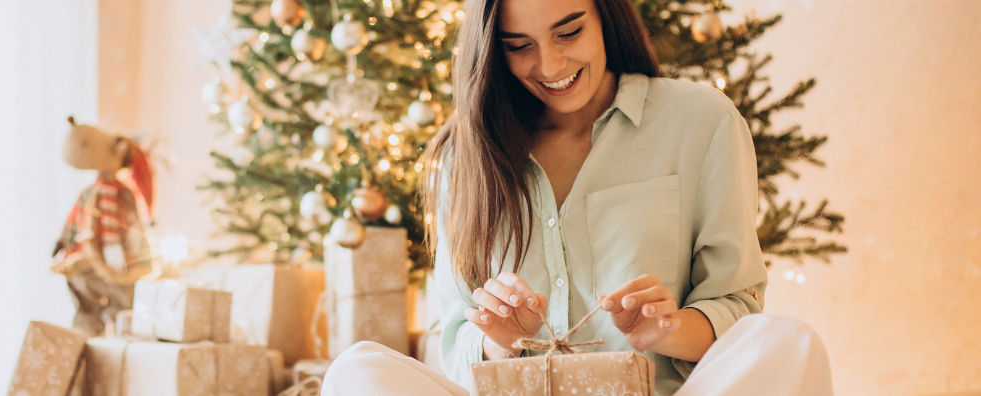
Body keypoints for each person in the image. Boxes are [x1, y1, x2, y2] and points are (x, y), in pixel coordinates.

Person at [322, 0, 833, 394]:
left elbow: (737, 303)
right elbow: (454, 342)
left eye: (569, 31)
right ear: (493, 48)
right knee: (356, 371)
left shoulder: (702, 121)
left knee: (789, 343)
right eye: (519, 45)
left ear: (604, 15)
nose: (550, 64)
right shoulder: (465, 155)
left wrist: (669, 330)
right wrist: (499, 339)